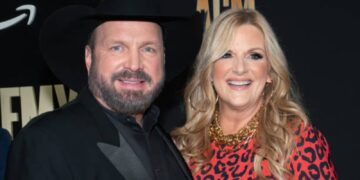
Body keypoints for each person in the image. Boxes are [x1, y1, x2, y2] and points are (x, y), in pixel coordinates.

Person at [5, 0, 203, 179]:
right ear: (89, 58)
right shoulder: (43, 142)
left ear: (163, 59)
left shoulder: (162, 136)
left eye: (148, 49)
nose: (134, 64)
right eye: (117, 48)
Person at [172, 8, 337, 179]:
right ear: (210, 71)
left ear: (270, 73)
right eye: (226, 55)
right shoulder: (184, 147)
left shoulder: (295, 141)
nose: (240, 68)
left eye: (254, 56)